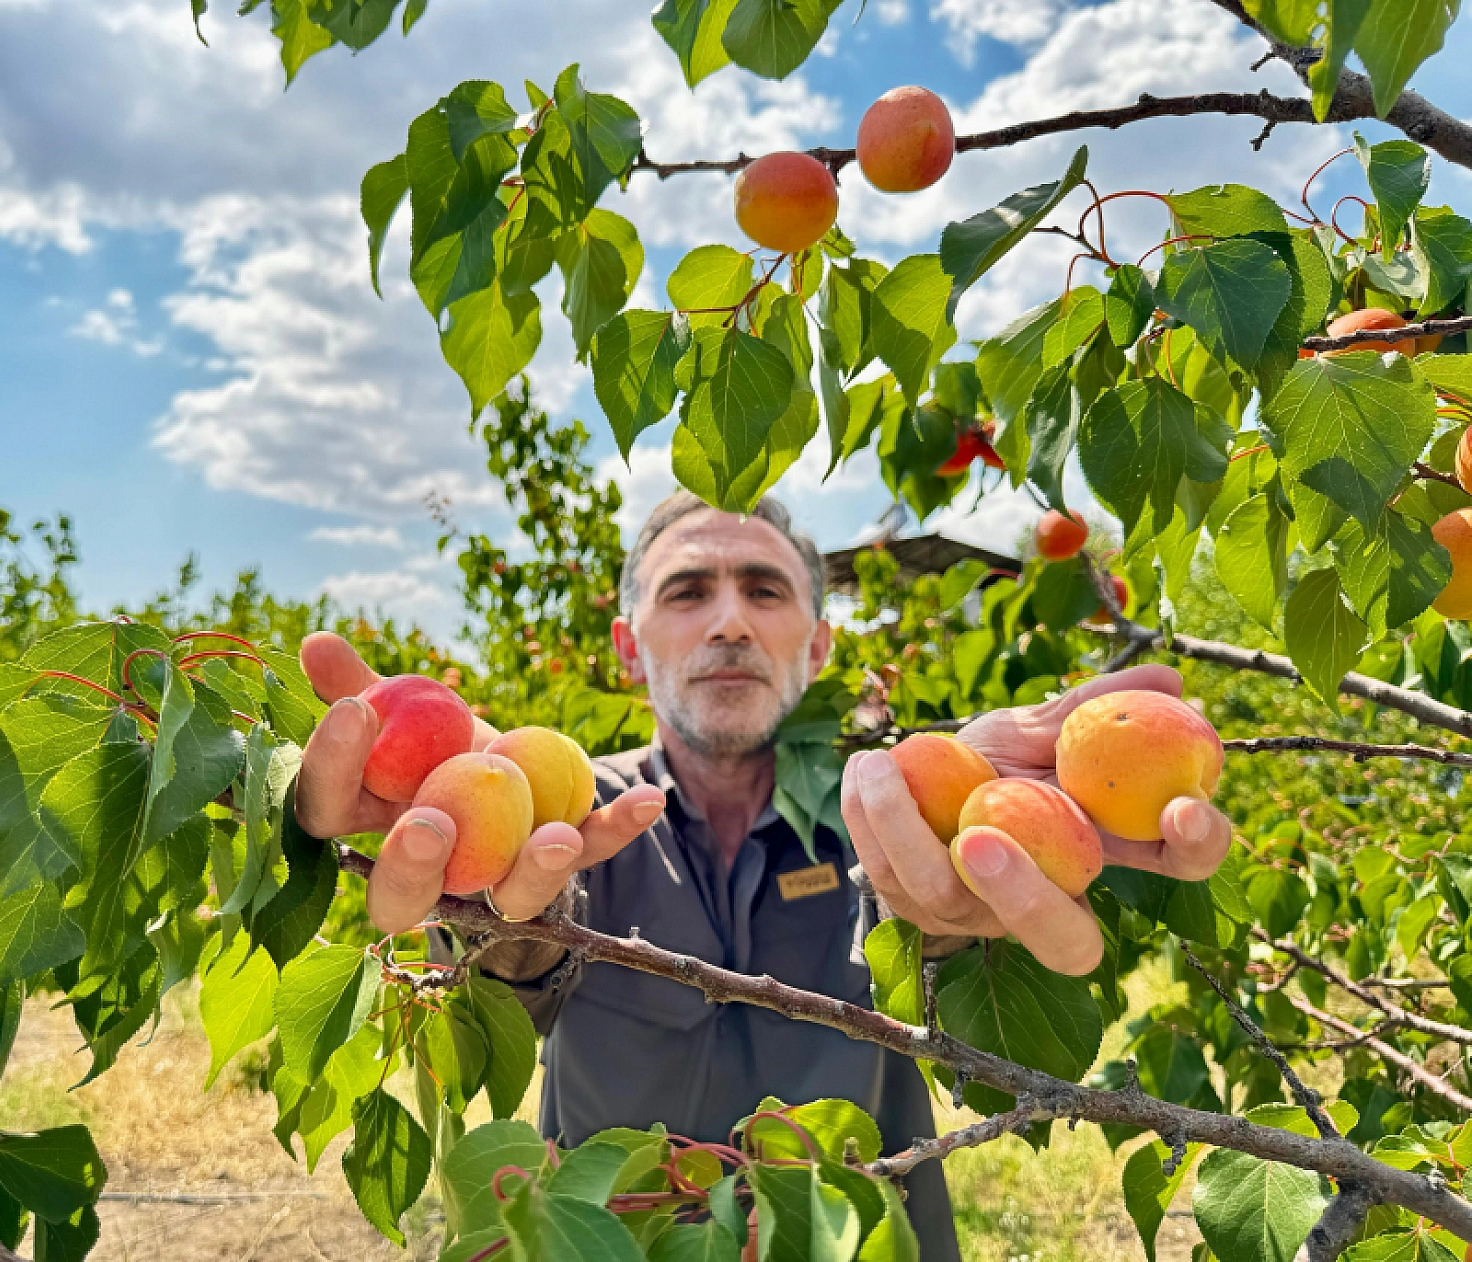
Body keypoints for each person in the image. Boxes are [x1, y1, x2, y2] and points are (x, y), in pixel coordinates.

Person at [288, 490, 1233, 1260]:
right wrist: (490, 915)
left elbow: (927, 935)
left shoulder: (891, 805)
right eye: (689, 591)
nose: (731, 621)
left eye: (766, 592)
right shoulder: (575, 815)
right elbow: (511, 982)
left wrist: (953, 919)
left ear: (818, 647)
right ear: (629, 647)